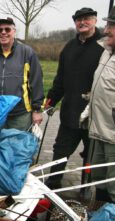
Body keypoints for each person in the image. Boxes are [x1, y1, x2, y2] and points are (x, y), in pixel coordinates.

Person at [44, 8, 104, 189]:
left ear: (94, 20)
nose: (82, 22)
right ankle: (52, 185)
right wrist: (51, 100)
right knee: (60, 151)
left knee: (92, 156)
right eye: (78, 20)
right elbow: (60, 78)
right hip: (70, 112)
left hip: (95, 115)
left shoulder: (105, 46)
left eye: (86, 19)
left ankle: (88, 188)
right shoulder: (69, 48)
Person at [82, 4, 115, 207]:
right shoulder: (107, 51)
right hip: (98, 131)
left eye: (112, 25)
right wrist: (89, 108)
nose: (106, 29)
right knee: (99, 180)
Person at [0, 17, 44, 131]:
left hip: (20, 115)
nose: (3, 32)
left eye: (7, 29)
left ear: (14, 32)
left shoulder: (27, 53)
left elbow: (36, 82)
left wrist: (37, 110)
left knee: (18, 148)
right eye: (0, 30)